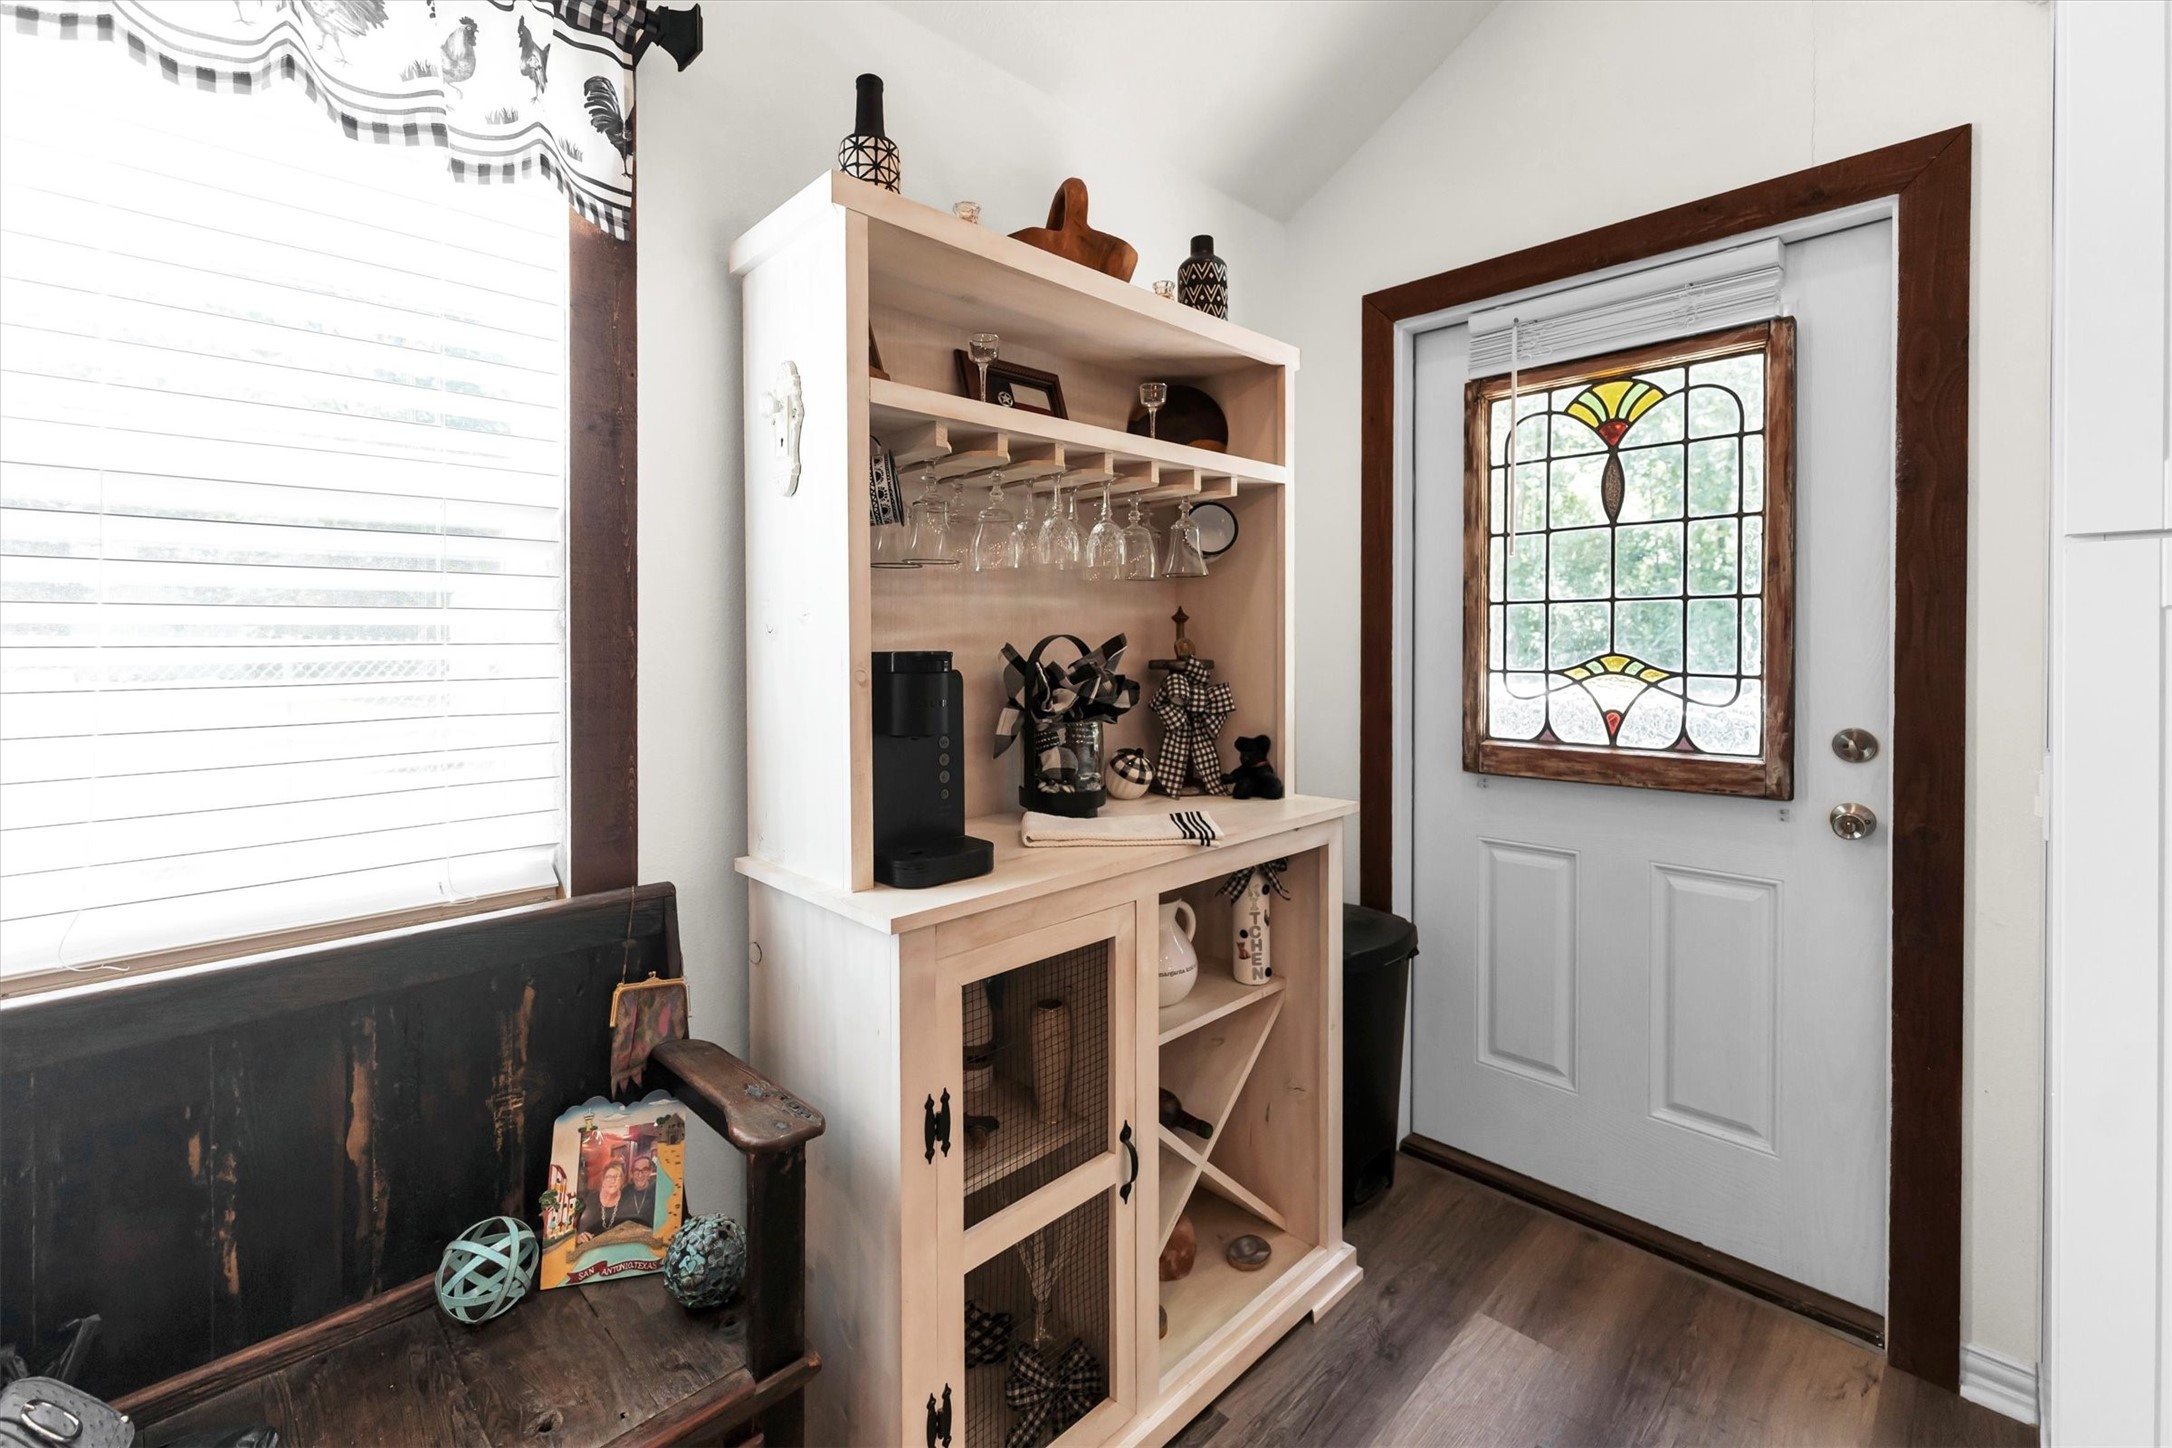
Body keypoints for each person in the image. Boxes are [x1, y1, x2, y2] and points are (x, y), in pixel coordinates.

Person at [576, 1159, 634, 1241]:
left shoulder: (628, 1203)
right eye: (609, 1177)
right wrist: (576, 1237)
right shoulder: (587, 1198)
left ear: (622, 1181)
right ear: (602, 1180)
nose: (613, 1181)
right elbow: (570, 1224)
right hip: (585, 1249)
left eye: (617, 1177)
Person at [622, 1152, 658, 1225]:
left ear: (650, 1171)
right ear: (632, 1173)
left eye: (645, 1170)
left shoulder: (657, 1191)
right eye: (637, 1170)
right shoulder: (625, 1191)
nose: (640, 1175)